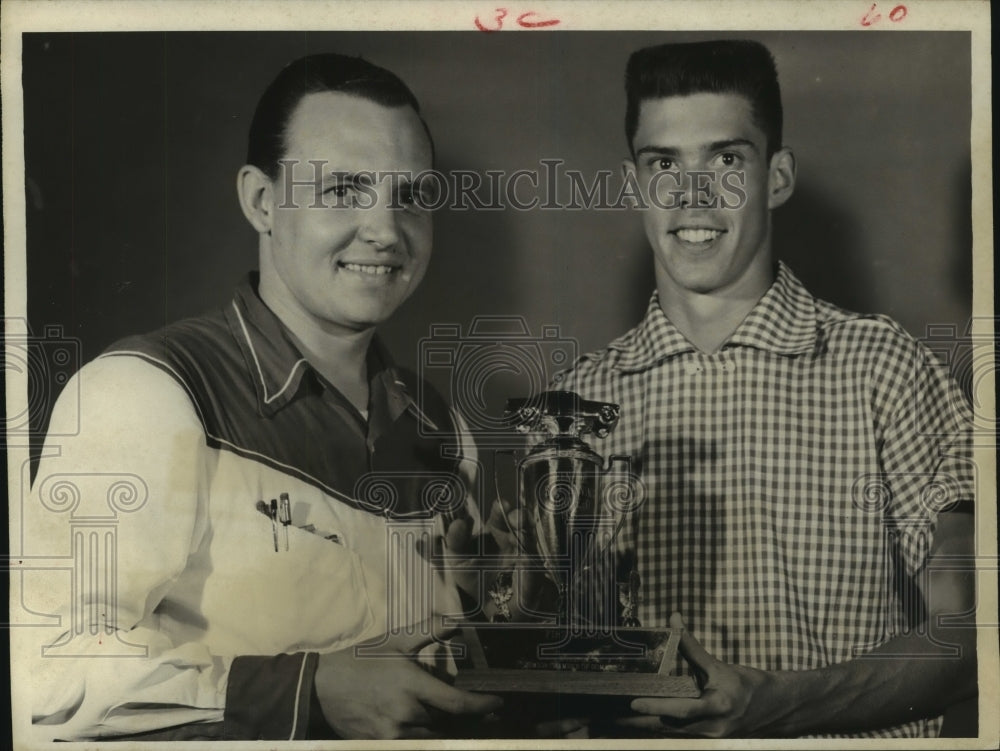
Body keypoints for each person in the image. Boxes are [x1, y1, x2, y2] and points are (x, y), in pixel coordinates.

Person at [26, 53, 502, 741]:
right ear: (261, 201)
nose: (386, 229)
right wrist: (309, 691)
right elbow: (45, 678)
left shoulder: (445, 431)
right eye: (343, 189)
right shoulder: (148, 390)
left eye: (411, 195)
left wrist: (489, 615)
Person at [551, 39, 976, 738]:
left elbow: (969, 636)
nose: (691, 195)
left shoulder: (885, 368)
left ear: (776, 177)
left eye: (725, 159)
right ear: (634, 185)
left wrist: (775, 702)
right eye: (664, 163)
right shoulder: (575, 406)